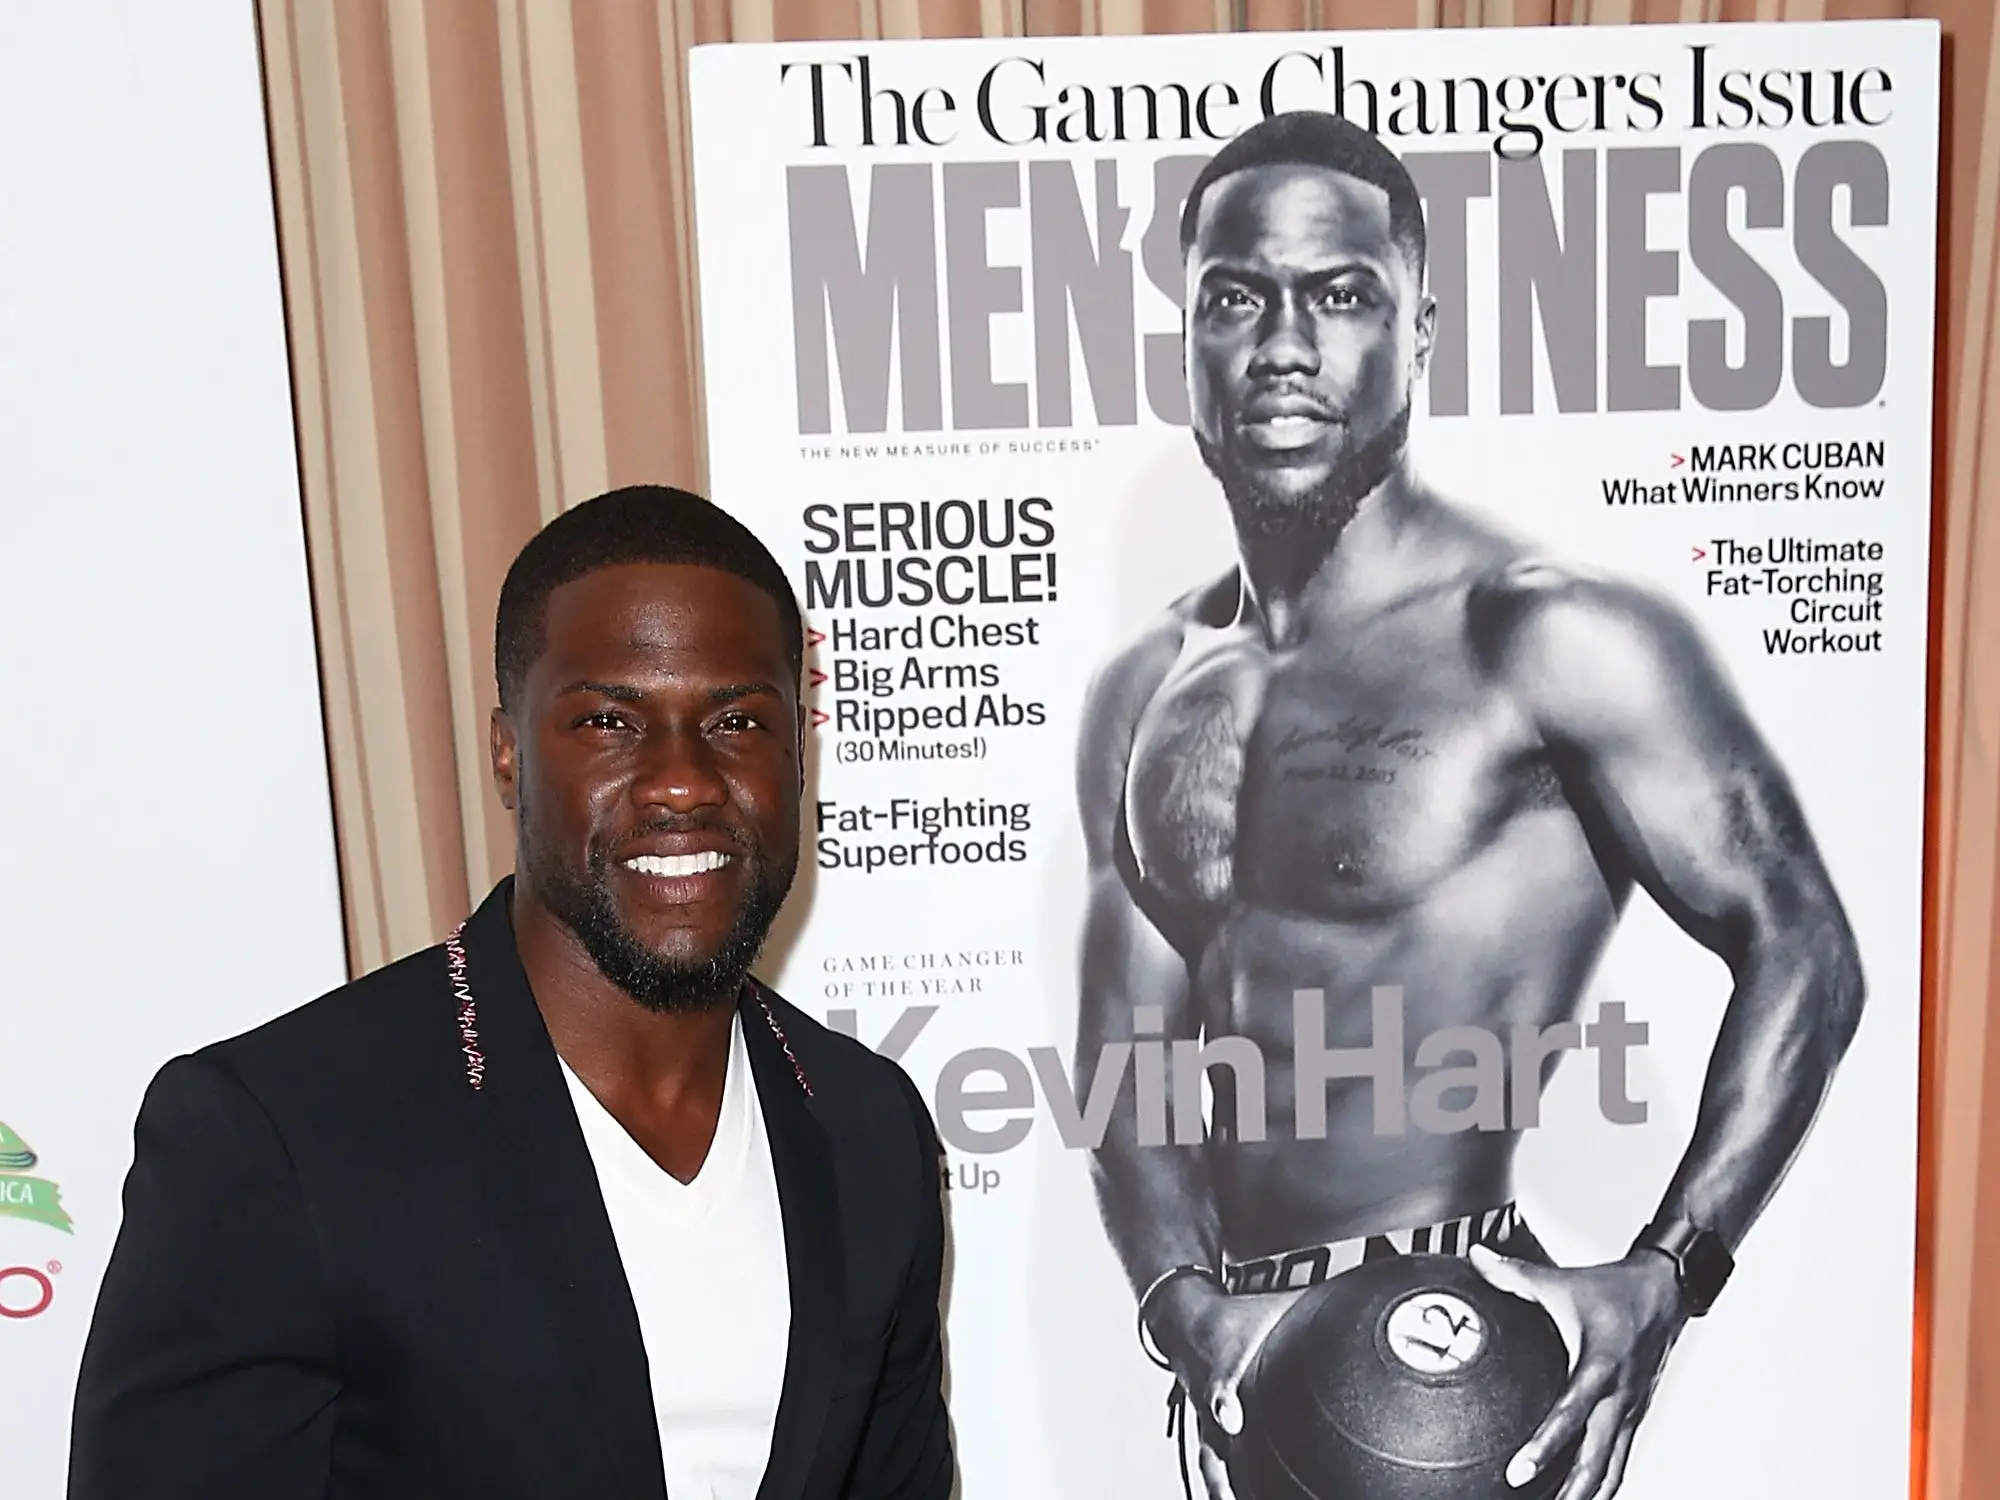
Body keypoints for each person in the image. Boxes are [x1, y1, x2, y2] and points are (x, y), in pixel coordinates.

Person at [1074, 112, 1863, 1500]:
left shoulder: (1545, 637)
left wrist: (1670, 1274)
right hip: (1243, 1388)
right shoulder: (1146, 685)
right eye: (1235, 298)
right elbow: (1127, 1058)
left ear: (1419, 332)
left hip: (1468, 1387)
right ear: (1187, 334)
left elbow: (1803, 946)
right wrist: (1174, 1307)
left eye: (1341, 295)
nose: (1282, 345)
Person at [70, 485, 955, 1500]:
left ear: (799, 749)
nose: (681, 780)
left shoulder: (862, 1124)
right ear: (508, 754)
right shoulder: (281, 1135)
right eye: (609, 720)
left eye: (738, 719)